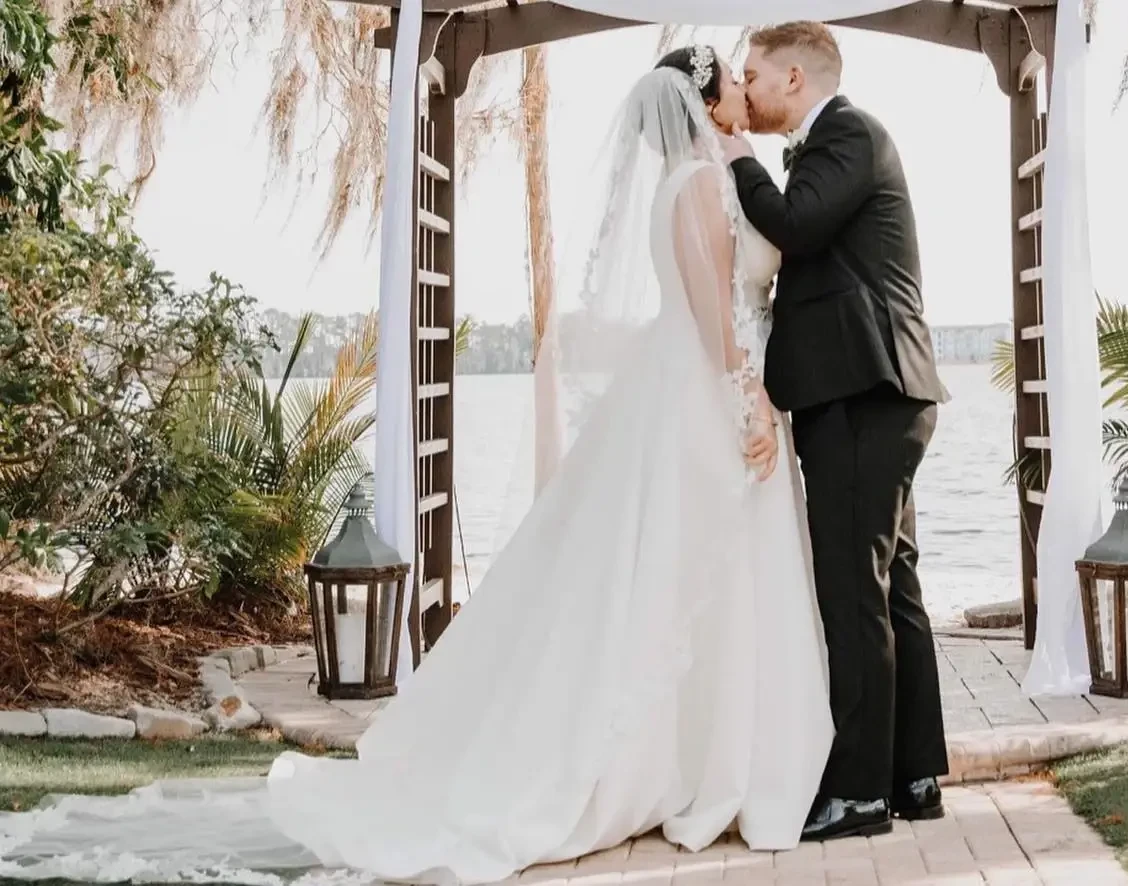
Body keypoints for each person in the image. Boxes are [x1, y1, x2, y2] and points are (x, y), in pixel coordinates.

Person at [0, 48, 832, 885]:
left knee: (678, 582)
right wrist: (748, 399)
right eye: (729, 74)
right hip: (701, 393)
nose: (739, 83)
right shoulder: (695, 186)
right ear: (704, 98)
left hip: (679, 389)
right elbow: (711, 309)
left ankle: (691, 759)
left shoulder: (689, 180)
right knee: (698, 579)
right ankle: (695, 767)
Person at [719, 22, 951, 842]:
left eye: (751, 76)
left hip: (865, 391)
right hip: (870, 393)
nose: (742, 90)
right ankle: (914, 774)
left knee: (854, 594)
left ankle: (856, 795)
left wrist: (737, 153)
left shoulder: (849, 131)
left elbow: (800, 224)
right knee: (893, 587)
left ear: (792, 77)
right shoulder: (829, 142)